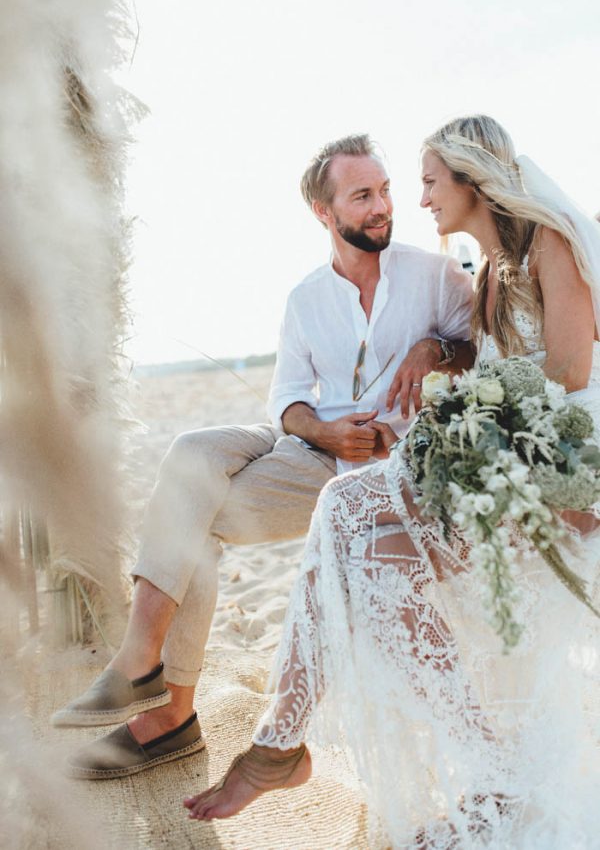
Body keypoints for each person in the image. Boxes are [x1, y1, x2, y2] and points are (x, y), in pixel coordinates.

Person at [185, 116, 600, 849]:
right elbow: (476, 358)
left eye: (430, 181)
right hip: (504, 461)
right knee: (369, 550)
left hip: (561, 469)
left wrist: (465, 400)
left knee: (348, 508)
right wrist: (437, 357)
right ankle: (486, 766)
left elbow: (568, 369)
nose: (420, 198)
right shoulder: (488, 275)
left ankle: (282, 743)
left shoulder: (550, 242)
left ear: (472, 179)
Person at [56, 133, 474, 779]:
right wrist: (328, 433)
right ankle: (146, 671)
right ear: (324, 212)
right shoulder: (305, 299)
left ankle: (166, 712)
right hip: (313, 462)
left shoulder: (434, 275)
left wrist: (433, 351)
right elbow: (287, 403)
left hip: (393, 477)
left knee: (192, 510)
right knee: (191, 456)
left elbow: (482, 347)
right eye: (362, 195)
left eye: (386, 190)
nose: (383, 206)